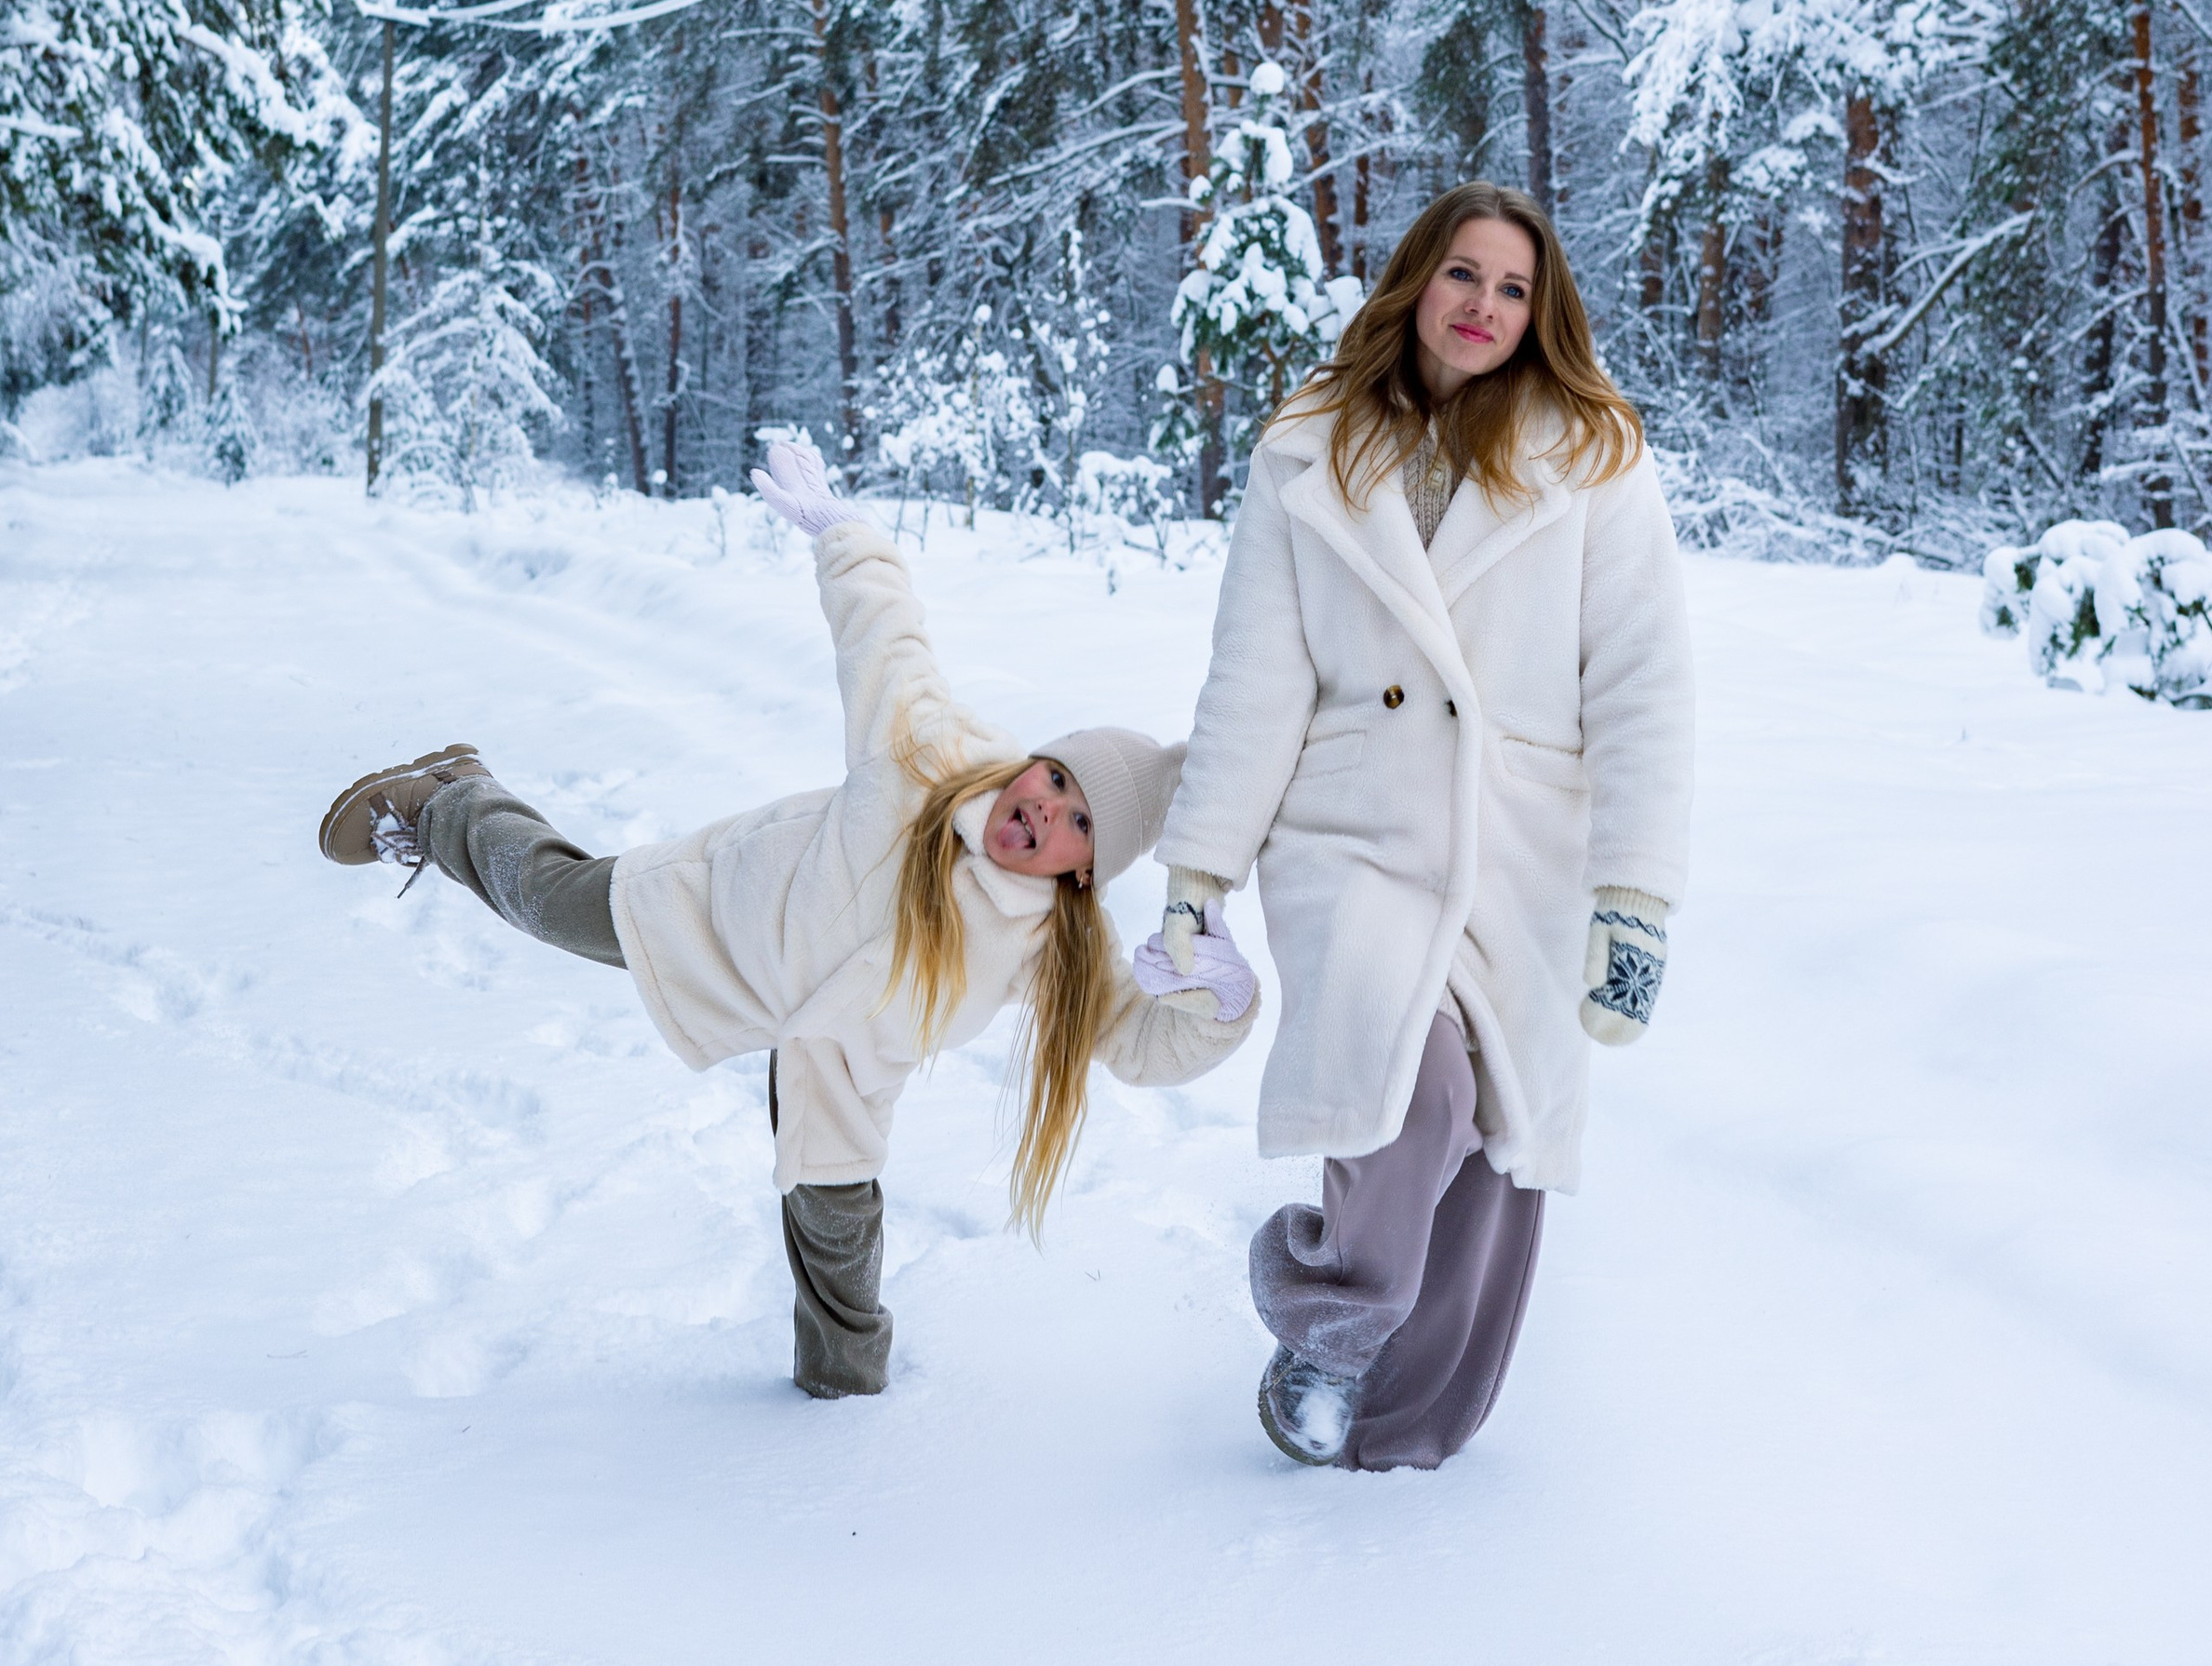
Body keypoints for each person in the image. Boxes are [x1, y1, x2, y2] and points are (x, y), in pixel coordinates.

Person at [316, 437, 1257, 1399]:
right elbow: (887, 639)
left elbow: (1135, 1040)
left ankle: (840, 1398)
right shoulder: (930, 755)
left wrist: (1216, 1008)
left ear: (1089, 870)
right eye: (1053, 776)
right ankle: (450, 802)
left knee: (838, 1221)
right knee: (552, 903)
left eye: (1080, 820)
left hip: (842, 1068)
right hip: (716, 922)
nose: (1045, 808)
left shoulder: (1055, 946)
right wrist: (844, 534)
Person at [1155, 184, 1693, 1473]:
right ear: (1416, 278)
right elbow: (1256, 677)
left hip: (1523, 845)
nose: (1483, 306)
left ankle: (1401, 1422)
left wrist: (1634, 899)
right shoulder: (1311, 447)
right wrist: (1197, 873)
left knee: (1496, 1134)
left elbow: (1643, 683)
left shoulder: (1594, 454)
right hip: (1355, 830)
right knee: (1416, 1083)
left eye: (1513, 288)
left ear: (1540, 312)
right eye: (1463, 274)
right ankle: (1331, 1327)